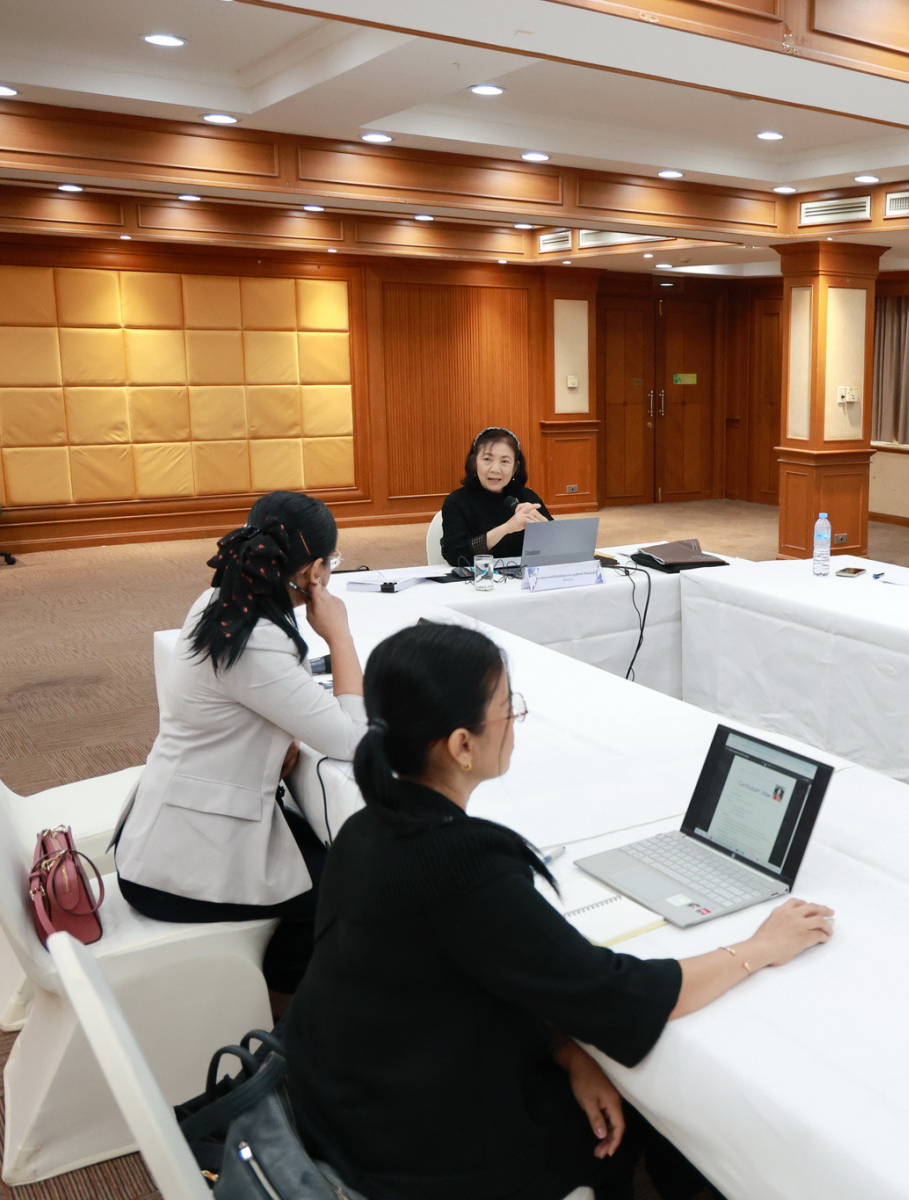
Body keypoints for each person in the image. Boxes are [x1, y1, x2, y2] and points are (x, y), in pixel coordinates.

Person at [283, 622, 835, 1200]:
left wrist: (565, 1049)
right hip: (421, 1156)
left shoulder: (369, 827)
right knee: (651, 1110)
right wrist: (758, 949)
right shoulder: (461, 865)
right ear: (462, 745)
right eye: (507, 709)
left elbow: (470, 979)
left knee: (611, 1077)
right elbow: (616, 996)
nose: (515, 722)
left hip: (345, 1107)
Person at [114, 490, 365, 1000]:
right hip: (179, 868)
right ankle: (273, 1004)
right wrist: (339, 635)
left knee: (325, 847)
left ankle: (278, 987)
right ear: (312, 572)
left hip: (176, 821)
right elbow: (353, 740)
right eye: (330, 562)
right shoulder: (257, 637)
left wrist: (275, 739)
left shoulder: (222, 600)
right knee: (352, 890)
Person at [440, 426, 555, 566]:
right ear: (474, 463)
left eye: (505, 461)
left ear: (515, 468)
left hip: (522, 576)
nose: (495, 469)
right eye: (487, 459)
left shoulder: (527, 497)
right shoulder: (457, 502)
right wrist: (507, 528)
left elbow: (557, 547)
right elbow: (455, 555)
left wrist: (545, 527)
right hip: (477, 577)